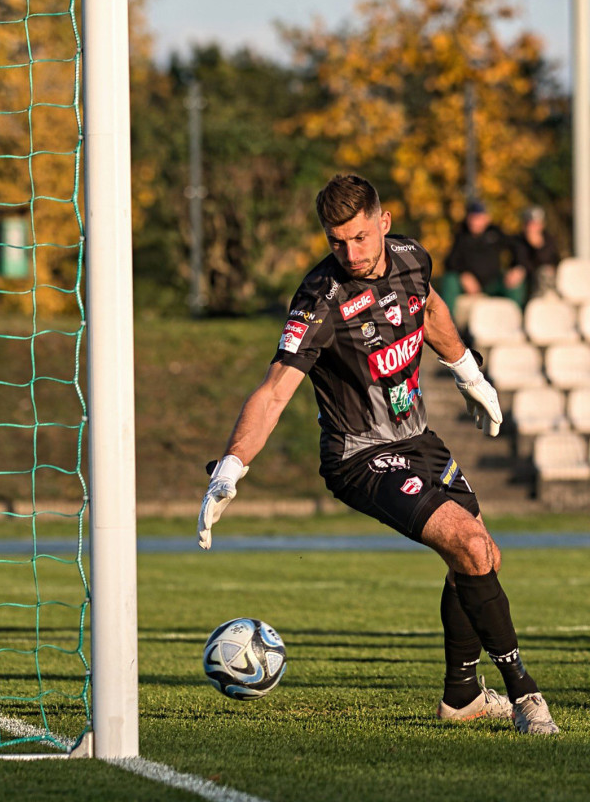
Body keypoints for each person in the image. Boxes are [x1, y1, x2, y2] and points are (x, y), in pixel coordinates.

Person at [197, 174, 558, 735]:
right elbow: (273, 391)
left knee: (482, 555)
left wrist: (467, 372)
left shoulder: (412, 257)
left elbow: (430, 307)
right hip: (360, 456)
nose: (350, 253)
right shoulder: (320, 298)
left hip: (417, 439)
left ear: (383, 223)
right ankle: (525, 695)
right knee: (470, 545)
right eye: (337, 242)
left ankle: (461, 697)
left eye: (361, 238)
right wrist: (232, 465)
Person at [440, 201, 524, 317]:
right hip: (470, 285)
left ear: (486, 218)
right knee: (450, 279)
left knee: (515, 282)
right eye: (472, 218)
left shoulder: (495, 233)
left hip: (493, 282)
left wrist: (517, 267)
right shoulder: (461, 235)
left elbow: (517, 247)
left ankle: (516, 321)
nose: (475, 222)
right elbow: (450, 261)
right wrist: (464, 275)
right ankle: (447, 323)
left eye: (478, 218)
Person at [512, 206, 560, 302]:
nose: (532, 228)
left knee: (545, 273)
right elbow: (521, 261)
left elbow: (549, 261)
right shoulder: (518, 241)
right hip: (525, 279)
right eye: (530, 224)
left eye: (536, 224)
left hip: (543, 281)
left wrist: (538, 246)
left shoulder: (549, 240)